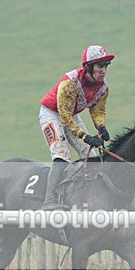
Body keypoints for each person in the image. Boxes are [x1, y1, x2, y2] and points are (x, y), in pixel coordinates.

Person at [39, 45, 114, 210]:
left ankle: (87, 196)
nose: (104, 71)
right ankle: (49, 200)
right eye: (100, 66)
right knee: (61, 155)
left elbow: (97, 110)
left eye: (106, 66)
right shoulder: (70, 83)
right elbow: (64, 117)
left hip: (70, 114)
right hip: (52, 113)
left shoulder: (103, 88)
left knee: (91, 156)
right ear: (89, 67)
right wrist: (86, 137)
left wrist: (101, 126)